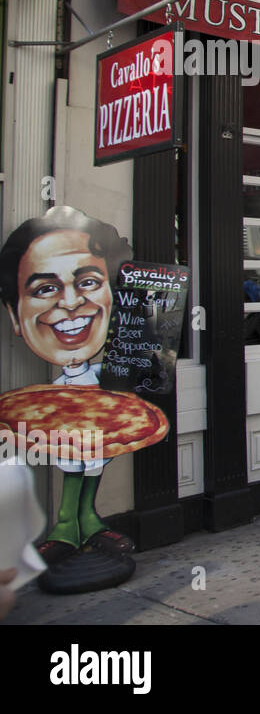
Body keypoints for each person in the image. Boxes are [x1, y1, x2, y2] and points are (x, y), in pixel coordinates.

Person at [0, 206, 134, 561]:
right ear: (15, 314)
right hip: (64, 405)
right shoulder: (47, 399)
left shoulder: (112, 388)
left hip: (100, 396)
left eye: (88, 282)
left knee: (93, 456)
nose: (71, 303)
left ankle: (85, 518)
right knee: (73, 456)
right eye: (45, 288)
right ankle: (66, 522)